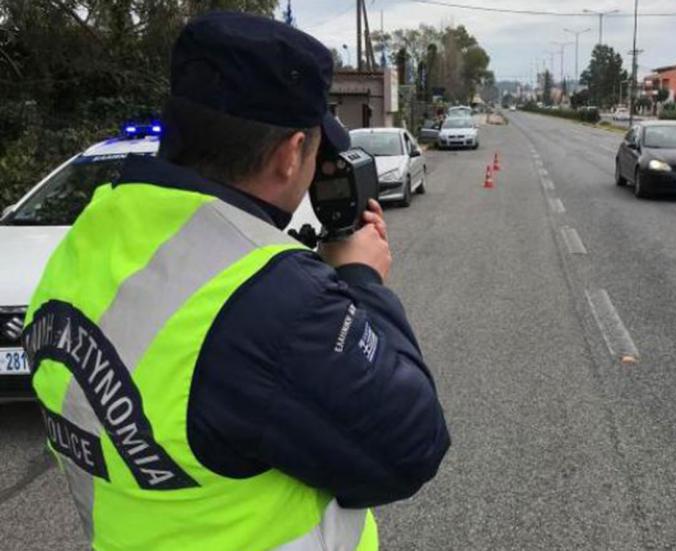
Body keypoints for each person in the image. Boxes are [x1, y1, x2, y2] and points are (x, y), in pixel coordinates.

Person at [23, 12, 449, 551]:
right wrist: (362, 278)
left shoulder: (94, 231)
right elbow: (414, 444)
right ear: (291, 152)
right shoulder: (276, 303)